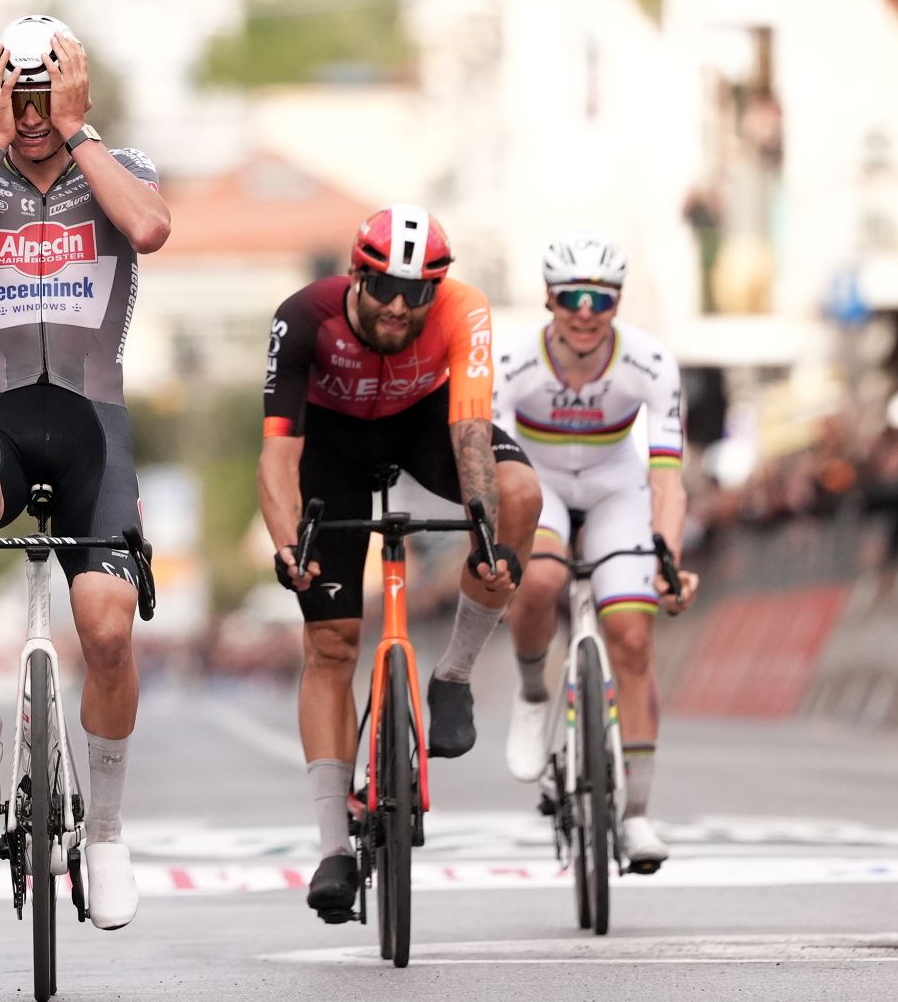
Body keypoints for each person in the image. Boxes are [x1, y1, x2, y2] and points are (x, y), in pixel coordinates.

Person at [0, 13, 169, 932]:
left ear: (75, 89)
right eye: (16, 94)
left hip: (95, 423)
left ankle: (105, 832)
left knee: (107, 627)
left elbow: (149, 226)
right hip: (0, 414)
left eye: (46, 91)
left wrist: (82, 129)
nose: (31, 111)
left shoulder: (117, 165)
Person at [256, 204, 541, 918]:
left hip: (425, 423)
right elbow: (279, 454)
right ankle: (331, 849)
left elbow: (472, 427)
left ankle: (455, 675)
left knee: (519, 492)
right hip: (332, 446)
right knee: (331, 642)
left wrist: (485, 533)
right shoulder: (304, 316)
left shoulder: (463, 309)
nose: (397, 305)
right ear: (357, 274)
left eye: (417, 293)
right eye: (384, 287)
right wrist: (289, 544)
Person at [496, 230, 701, 872]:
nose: (586, 310)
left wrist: (665, 555)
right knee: (539, 582)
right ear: (549, 299)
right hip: (541, 482)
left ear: (617, 303)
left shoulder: (651, 361)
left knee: (633, 640)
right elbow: (499, 470)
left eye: (601, 299)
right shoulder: (511, 362)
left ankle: (636, 815)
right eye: (571, 297)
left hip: (617, 488)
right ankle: (533, 692)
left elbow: (667, 473)